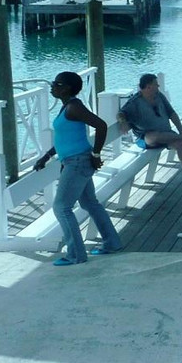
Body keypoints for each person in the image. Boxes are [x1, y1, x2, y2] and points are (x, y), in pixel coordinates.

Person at [34, 71, 123, 265]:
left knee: (61, 207)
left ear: (66, 88)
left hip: (77, 163)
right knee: (90, 203)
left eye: (56, 84)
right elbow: (65, 138)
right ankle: (112, 243)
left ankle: (76, 255)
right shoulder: (68, 106)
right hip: (76, 161)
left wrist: (96, 154)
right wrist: (47, 156)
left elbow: (101, 125)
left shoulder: (74, 107)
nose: (52, 86)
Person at [118, 73, 182, 183]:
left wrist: (180, 128)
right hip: (146, 138)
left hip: (166, 133)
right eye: (156, 84)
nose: (158, 86)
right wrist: (123, 122)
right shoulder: (135, 102)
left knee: (180, 143)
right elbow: (121, 113)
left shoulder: (159, 96)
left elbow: (171, 112)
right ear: (148, 87)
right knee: (156, 135)